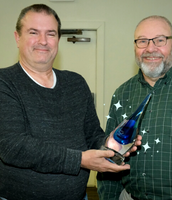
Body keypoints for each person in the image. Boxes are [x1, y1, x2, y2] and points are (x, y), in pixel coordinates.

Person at [0, 4, 142, 200]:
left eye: (50, 33)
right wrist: (80, 160)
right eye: (34, 32)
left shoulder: (76, 82)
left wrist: (112, 144)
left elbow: (92, 135)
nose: (43, 41)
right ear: (17, 37)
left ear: (58, 39)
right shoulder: (5, 82)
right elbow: (13, 146)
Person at [97, 15, 172, 200]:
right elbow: (110, 157)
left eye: (160, 40)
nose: (150, 48)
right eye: (142, 41)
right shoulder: (122, 93)